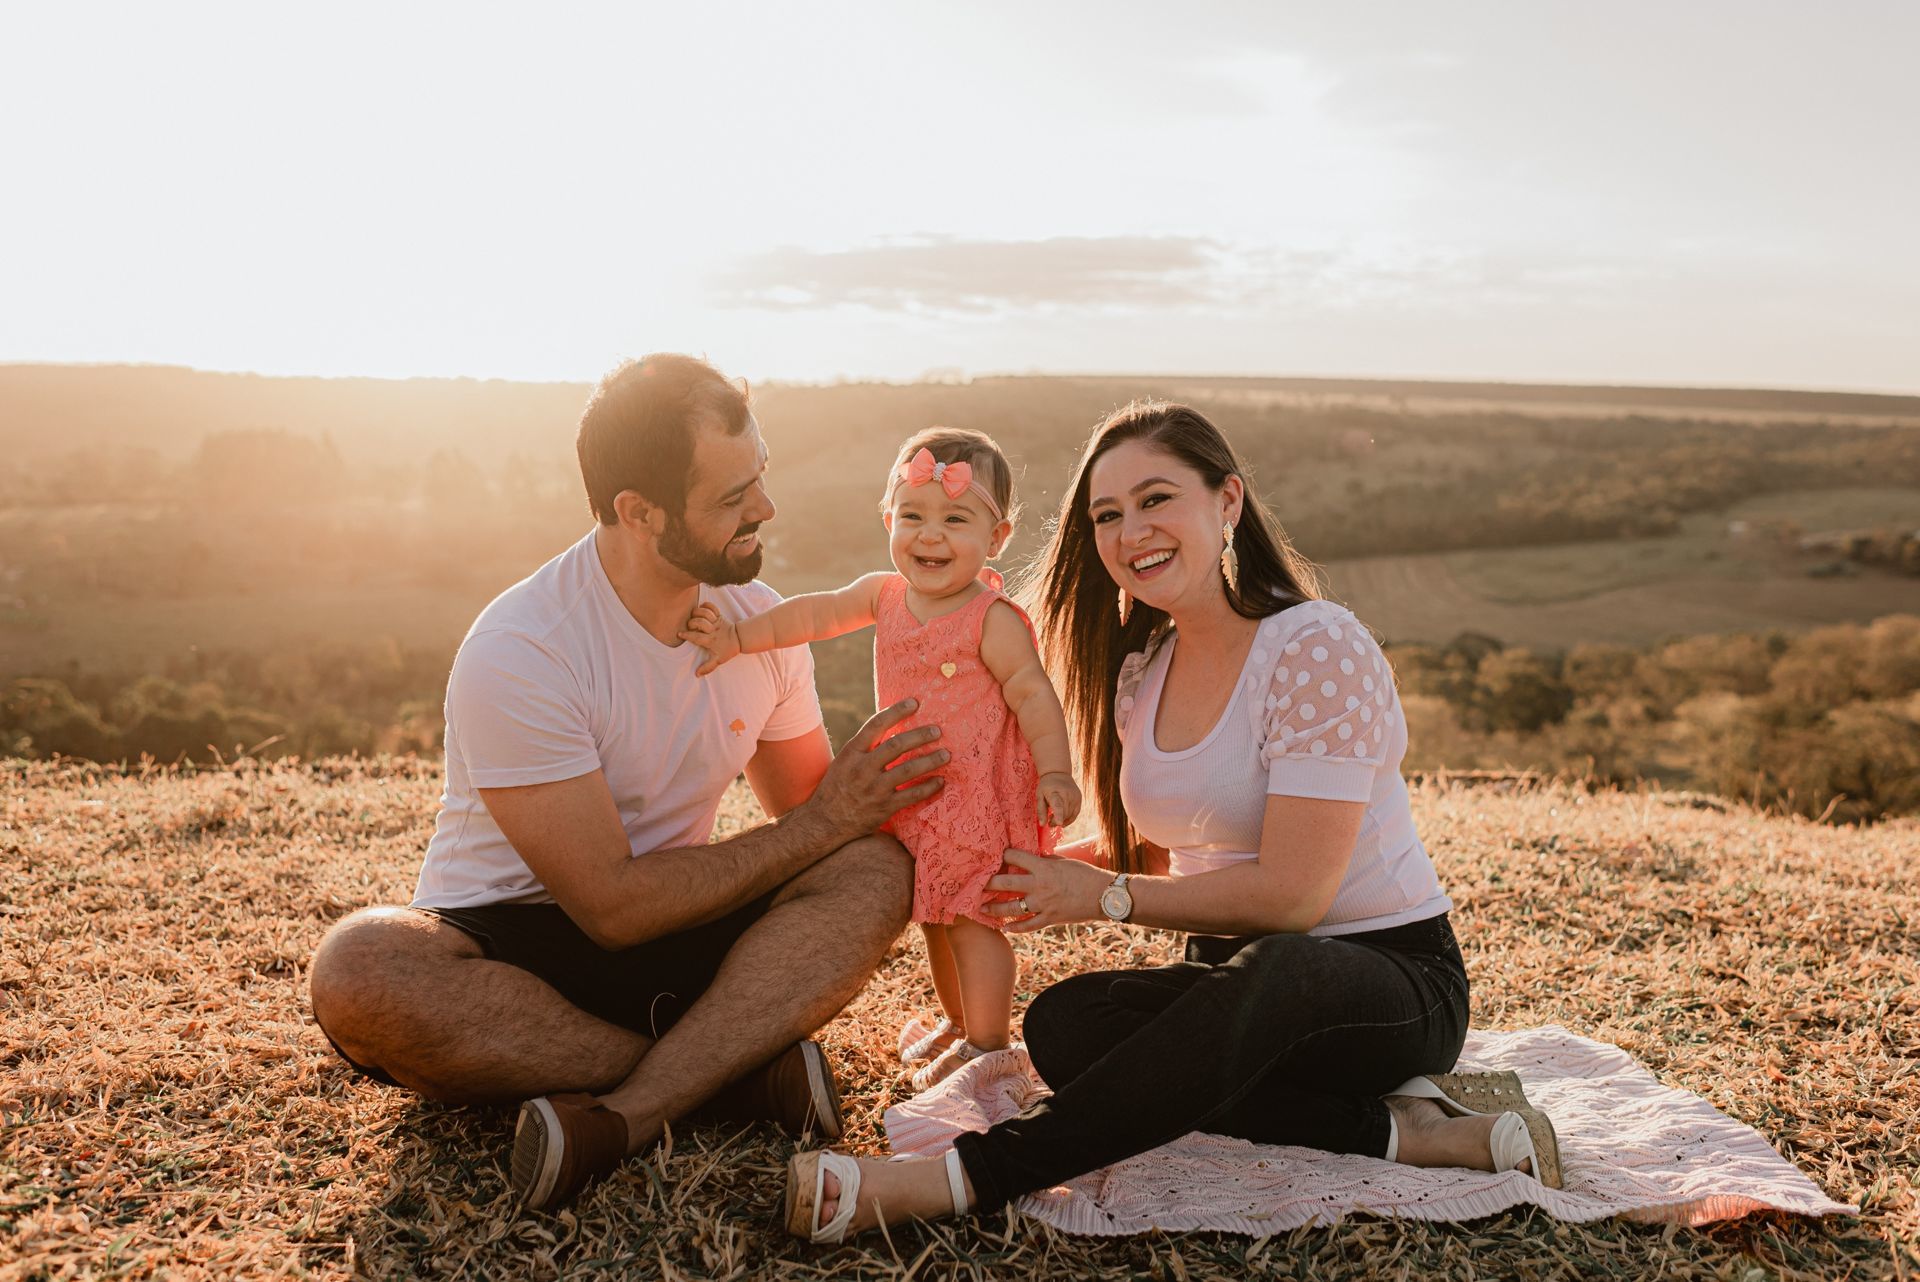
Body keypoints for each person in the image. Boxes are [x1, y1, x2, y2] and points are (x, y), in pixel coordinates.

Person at [782, 401, 1563, 1243]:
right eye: (1107, 515)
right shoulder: (1141, 672)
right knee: (1064, 1024)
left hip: (1386, 982)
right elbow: (1151, 847)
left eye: (1156, 499)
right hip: (1236, 984)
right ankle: (1397, 1131)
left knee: (1281, 965)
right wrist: (1019, 871)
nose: (1131, 531)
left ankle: (960, 1178)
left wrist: (1102, 897)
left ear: (1226, 502)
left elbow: (1294, 899)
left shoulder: (1315, 649)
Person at [307, 354, 951, 1214]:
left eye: (758, 478)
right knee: (360, 968)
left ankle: (630, 1111)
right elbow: (610, 908)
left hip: (684, 930)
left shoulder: (761, 624)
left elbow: (815, 821)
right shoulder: (526, 648)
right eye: (732, 497)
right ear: (638, 512)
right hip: (514, 945)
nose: (764, 508)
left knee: (874, 871)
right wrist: (822, 821)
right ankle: (731, 1082)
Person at [682, 427, 1081, 1090]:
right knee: (936, 919)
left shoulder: (992, 618)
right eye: (912, 516)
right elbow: (810, 617)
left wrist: (1056, 770)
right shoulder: (884, 595)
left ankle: (990, 1049)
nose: (930, 536)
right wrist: (738, 637)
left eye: (956, 519)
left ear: (997, 539)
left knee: (975, 924)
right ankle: (959, 1029)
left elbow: (1033, 694)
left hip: (975, 800)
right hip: (918, 796)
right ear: (888, 520)